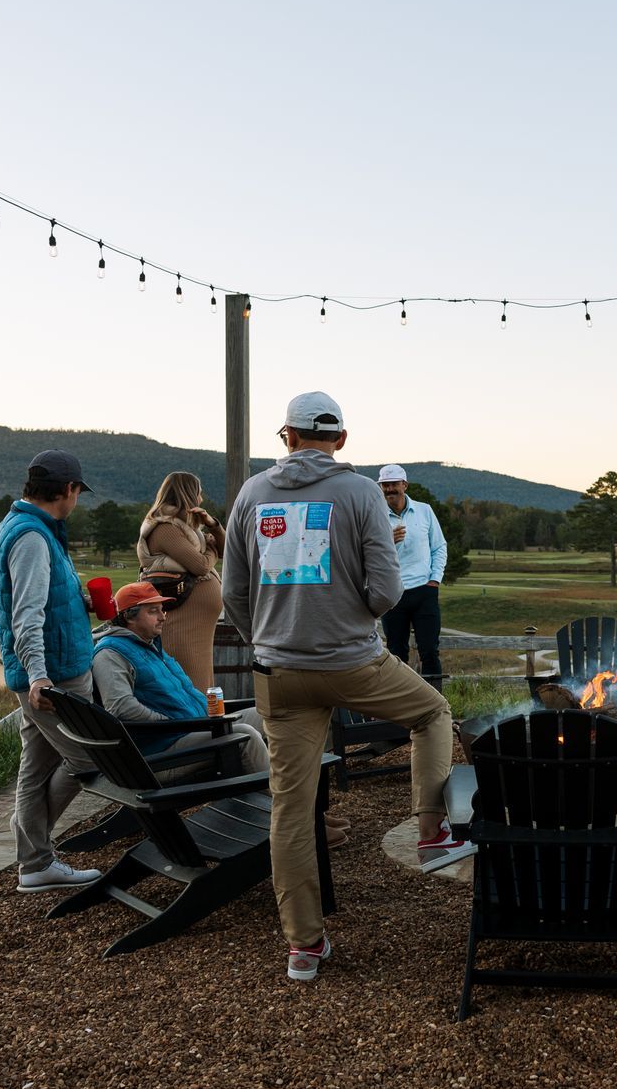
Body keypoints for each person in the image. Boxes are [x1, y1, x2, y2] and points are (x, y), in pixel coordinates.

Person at [224, 392, 457, 982]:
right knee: (432, 713)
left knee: (290, 809)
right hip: (353, 661)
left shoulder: (252, 494)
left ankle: (304, 946)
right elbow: (387, 590)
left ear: (287, 436)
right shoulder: (359, 492)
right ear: (342, 441)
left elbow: (233, 592)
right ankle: (432, 828)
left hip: (279, 674)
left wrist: (267, 638)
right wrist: (356, 616)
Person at [91, 580, 348, 847]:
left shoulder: (150, 646)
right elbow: (121, 707)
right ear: (129, 616)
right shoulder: (111, 654)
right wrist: (173, 724)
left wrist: (206, 717)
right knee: (244, 735)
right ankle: (302, 826)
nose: (163, 617)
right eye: (153, 611)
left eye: (162, 610)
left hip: (196, 730)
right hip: (165, 752)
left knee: (275, 714)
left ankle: (307, 810)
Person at [0, 449, 104, 894]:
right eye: (78, 492)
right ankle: (32, 846)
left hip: (49, 671)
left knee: (35, 768)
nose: (76, 499)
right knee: (86, 758)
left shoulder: (25, 526)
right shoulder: (32, 537)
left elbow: (39, 598)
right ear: (68, 489)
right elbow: (25, 615)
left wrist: (81, 602)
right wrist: (39, 676)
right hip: (52, 678)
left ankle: (35, 859)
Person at [137, 471, 224, 691]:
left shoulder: (189, 529)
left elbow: (225, 550)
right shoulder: (164, 528)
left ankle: (202, 713)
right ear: (189, 494)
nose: (201, 498)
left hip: (197, 624)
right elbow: (200, 566)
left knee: (201, 680)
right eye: (199, 493)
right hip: (182, 623)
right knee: (190, 681)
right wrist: (211, 550)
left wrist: (213, 525)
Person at [376, 464, 449, 681]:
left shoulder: (424, 510)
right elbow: (366, 553)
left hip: (424, 591)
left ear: (404, 485)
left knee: (429, 651)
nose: (389, 489)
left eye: (394, 484)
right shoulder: (375, 515)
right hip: (392, 593)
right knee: (396, 653)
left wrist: (434, 580)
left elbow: (439, 546)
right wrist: (387, 541)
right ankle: (401, 700)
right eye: (385, 485)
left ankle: (435, 700)